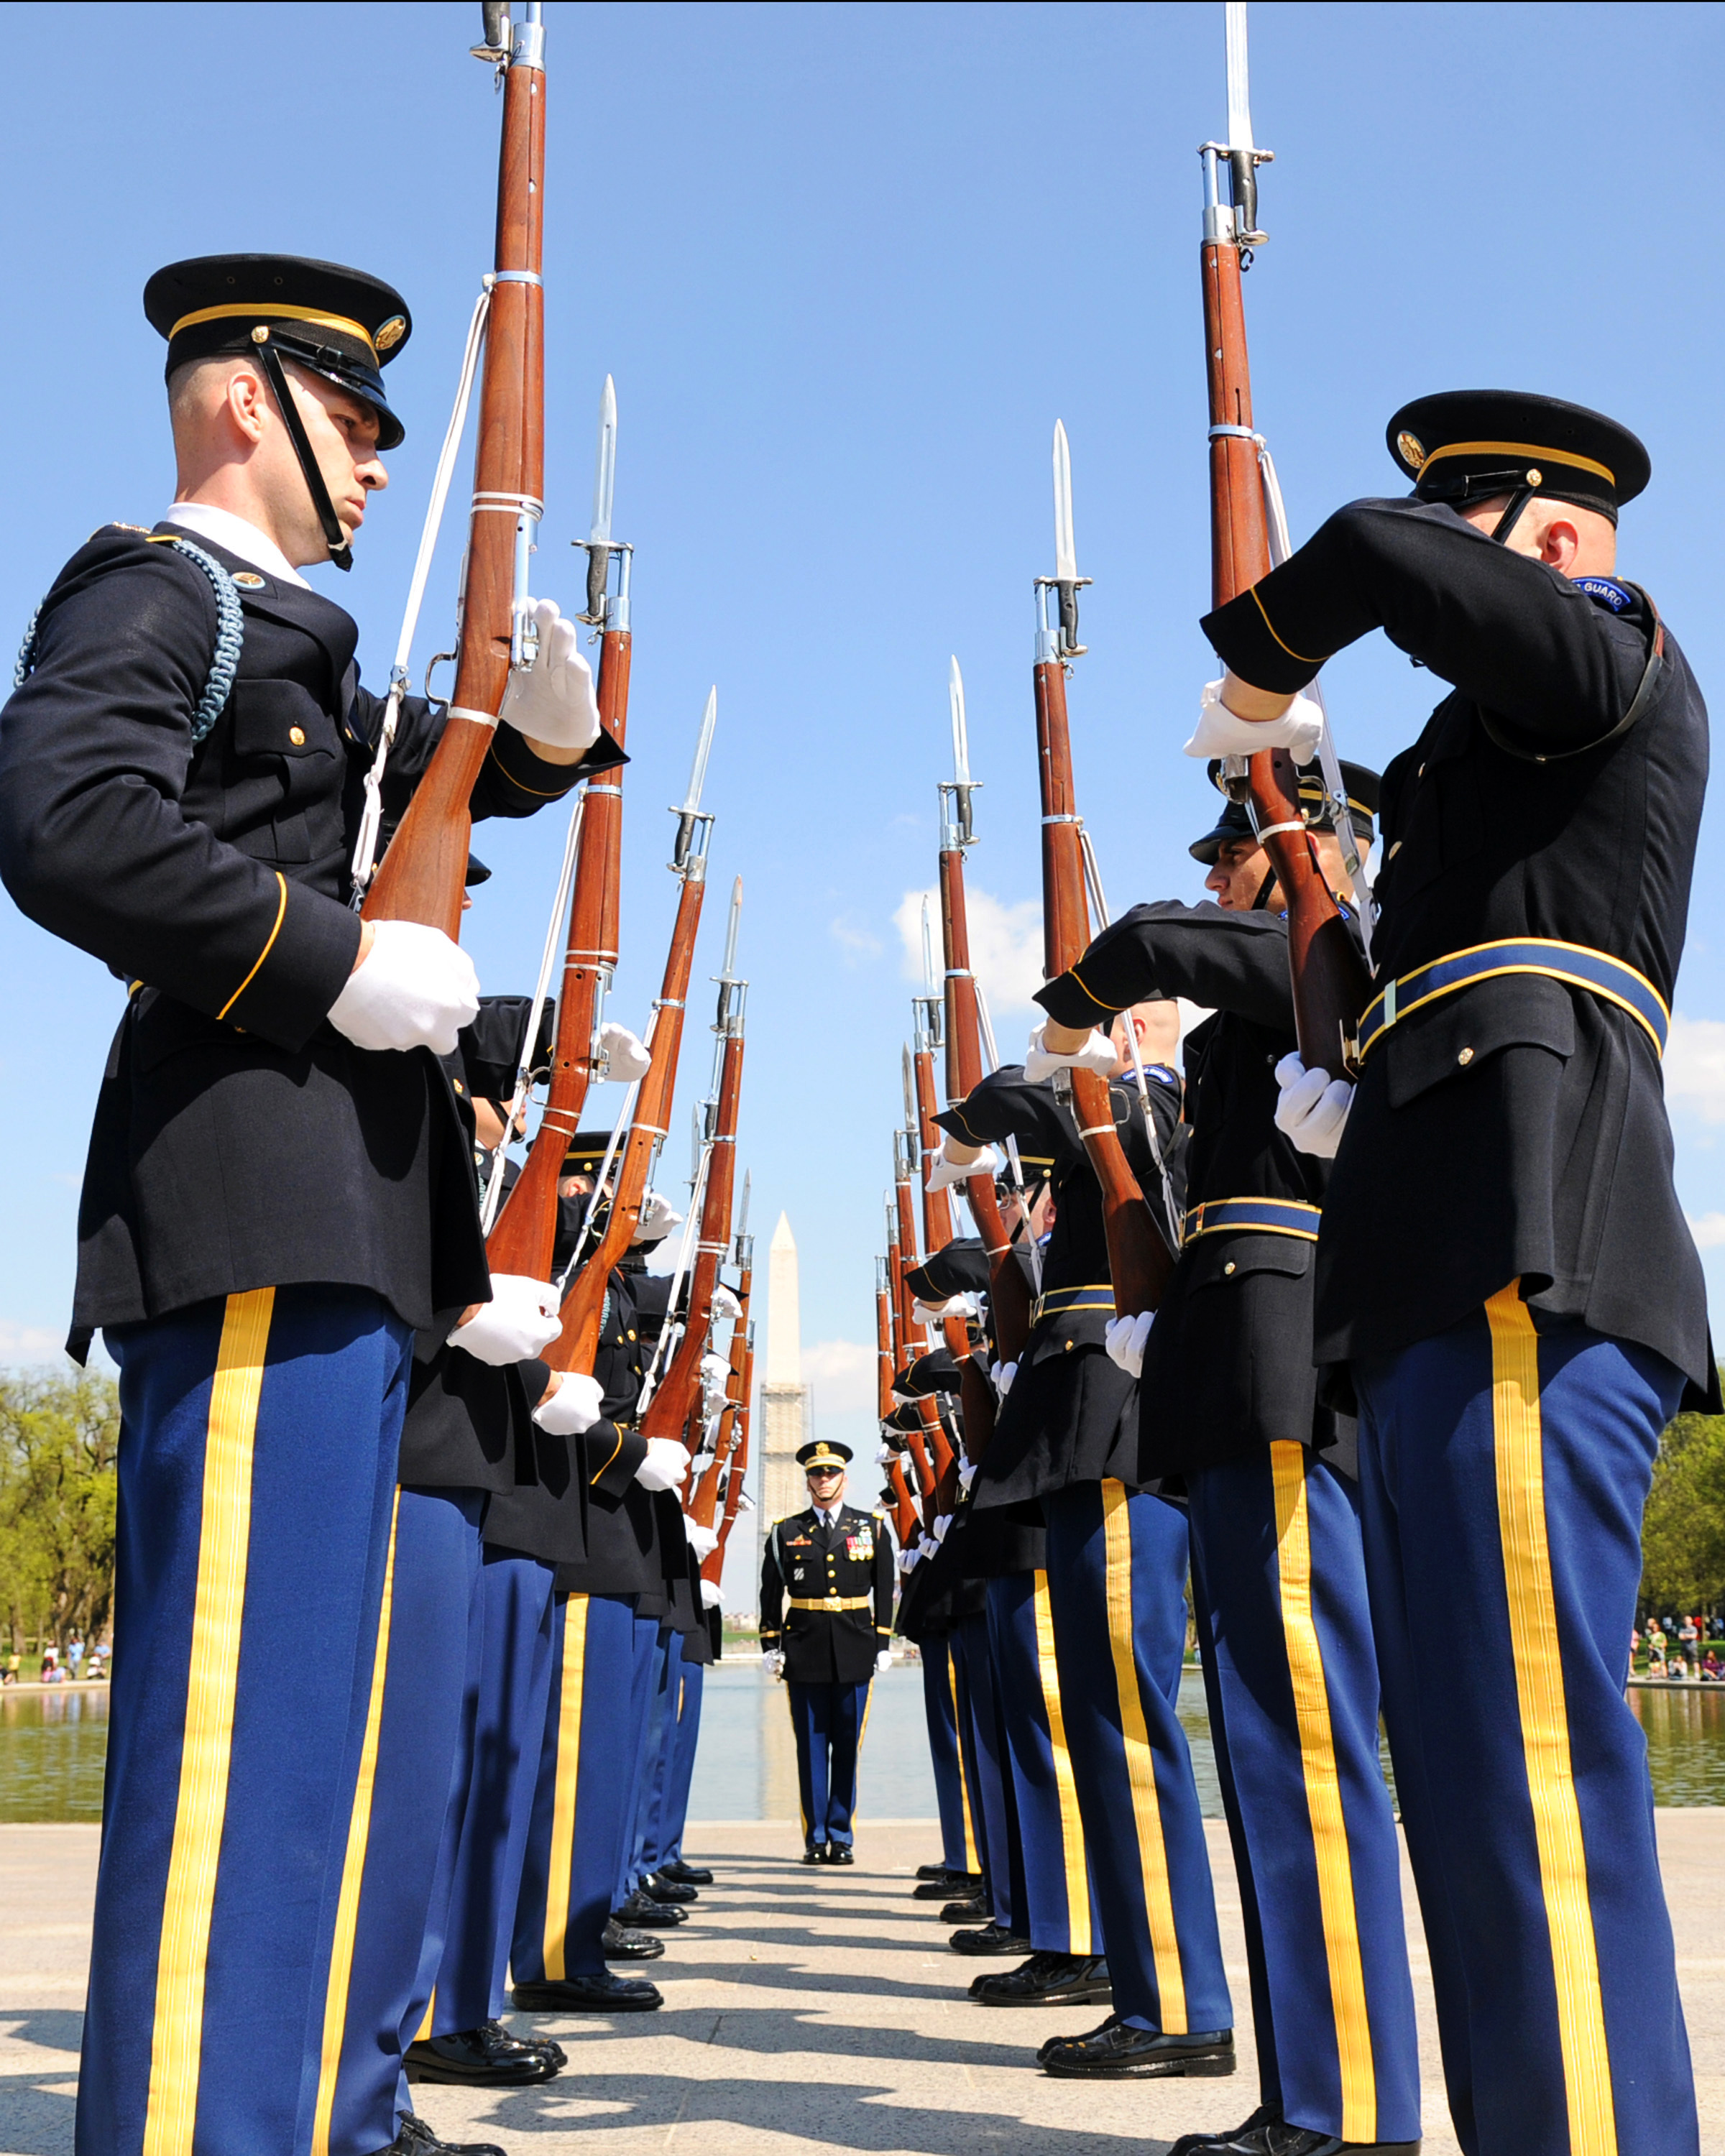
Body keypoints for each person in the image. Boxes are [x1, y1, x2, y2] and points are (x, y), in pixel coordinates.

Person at [0, 254, 624, 2156]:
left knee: (311, 1746)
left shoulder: (296, 637)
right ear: (240, 403)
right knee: (236, 1748)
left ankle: (298, 2113)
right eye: (349, 421)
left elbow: (410, 779)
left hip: (349, 1213)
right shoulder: (161, 586)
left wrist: (538, 732)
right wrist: (317, 958)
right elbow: (62, 813)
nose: (376, 463)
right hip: (258, 1187)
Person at [1197, 389, 1712, 2156]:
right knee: (1471, 1784)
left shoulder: (1607, 658)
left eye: (1468, 529)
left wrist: (1261, 660)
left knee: (1526, 1787)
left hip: (1524, 1248)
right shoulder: (1500, 771)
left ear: (1549, 541)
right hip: (1435, 1255)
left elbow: (1367, 553)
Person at [1035, 763, 1422, 2155]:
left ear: (1311, 848)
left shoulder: (1330, 946)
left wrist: (1101, 968)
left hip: (1286, 1376)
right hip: (1231, 1378)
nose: (1217, 876)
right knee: (1268, 1753)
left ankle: (1351, 2107)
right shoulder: (1256, 994)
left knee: (1307, 1749)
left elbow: (1200, 943)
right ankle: (1308, 2092)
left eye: (1239, 846)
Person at [932, 1016, 1236, 2078]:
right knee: (1101, 1724)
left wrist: (1029, 1096)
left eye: (1103, 1011)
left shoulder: (1150, 1107)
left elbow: (1099, 1151)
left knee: (1122, 1721)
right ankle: (1148, 1983)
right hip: (1069, 1426)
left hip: (1113, 1426)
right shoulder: (1094, 1127)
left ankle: (1177, 2000)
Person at [759, 1440, 896, 1862]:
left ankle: (843, 1836)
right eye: (817, 1473)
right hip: (804, 1648)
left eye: (831, 1473)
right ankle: (816, 1838)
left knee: (847, 1746)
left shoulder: (870, 1527)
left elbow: (886, 1587)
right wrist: (770, 1644)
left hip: (856, 1647)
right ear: (807, 1480)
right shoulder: (786, 1530)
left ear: (844, 1478)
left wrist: (884, 1642)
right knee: (811, 1747)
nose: (824, 1480)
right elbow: (770, 1592)